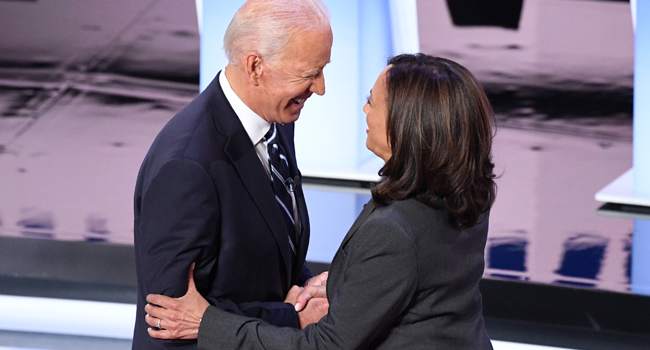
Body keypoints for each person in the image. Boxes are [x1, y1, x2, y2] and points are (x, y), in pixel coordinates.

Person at [143, 53, 497, 349]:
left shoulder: (393, 233)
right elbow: (423, 276)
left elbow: (324, 347)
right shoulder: (463, 190)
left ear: (408, 126)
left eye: (373, 101)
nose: (364, 109)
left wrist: (205, 323)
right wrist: (350, 281)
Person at [131, 1, 332, 349]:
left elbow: (274, 248)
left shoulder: (276, 122)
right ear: (256, 66)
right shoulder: (186, 166)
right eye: (308, 73)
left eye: (322, 70)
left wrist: (308, 291)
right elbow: (168, 317)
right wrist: (293, 317)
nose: (320, 87)